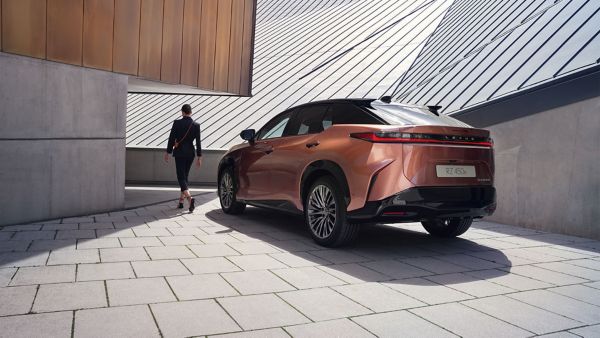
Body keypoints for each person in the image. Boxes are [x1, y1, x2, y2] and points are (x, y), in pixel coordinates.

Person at [164, 104, 202, 212]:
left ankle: (190, 199)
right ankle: (181, 201)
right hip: (190, 153)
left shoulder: (177, 123)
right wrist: (199, 156)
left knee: (181, 177)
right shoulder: (196, 125)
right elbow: (198, 142)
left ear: (182, 112)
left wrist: (168, 152)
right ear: (191, 112)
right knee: (185, 177)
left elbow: (171, 138)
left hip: (180, 153)